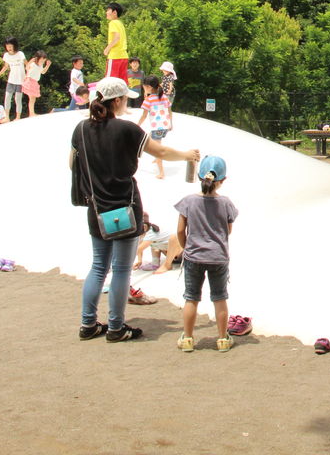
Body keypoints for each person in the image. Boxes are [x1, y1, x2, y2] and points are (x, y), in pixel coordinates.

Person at [72, 77, 199, 343]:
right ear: (116, 101)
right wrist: (187, 155)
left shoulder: (81, 129)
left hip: (96, 209)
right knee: (120, 269)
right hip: (125, 208)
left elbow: (72, 165)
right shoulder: (127, 130)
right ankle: (116, 327)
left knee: (98, 267)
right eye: (125, 99)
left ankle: (88, 324)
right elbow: (161, 151)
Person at [175, 155, 238, 353]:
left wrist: (186, 247)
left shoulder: (188, 201)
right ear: (223, 180)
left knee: (191, 298)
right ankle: (222, 339)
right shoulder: (226, 203)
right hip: (218, 256)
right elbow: (228, 230)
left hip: (194, 256)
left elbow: (179, 230)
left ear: (199, 176)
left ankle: (187, 338)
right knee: (219, 298)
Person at [137, 75, 173, 179]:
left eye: (144, 86)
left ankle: (161, 172)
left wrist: (137, 125)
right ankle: (156, 159)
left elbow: (144, 116)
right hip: (165, 126)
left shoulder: (149, 100)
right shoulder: (164, 97)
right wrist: (171, 124)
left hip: (157, 127)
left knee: (157, 149)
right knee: (154, 141)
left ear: (148, 87)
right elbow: (170, 112)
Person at [0, 37, 26, 120]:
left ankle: (18, 116)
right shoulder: (6, 55)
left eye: (10, 46)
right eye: (7, 46)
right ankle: (7, 117)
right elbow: (5, 66)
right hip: (11, 80)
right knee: (7, 98)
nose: (9, 48)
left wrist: (28, 77)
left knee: (18, 99)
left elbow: (27, 65)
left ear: (14, 45)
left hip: (21, 80)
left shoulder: (20, 54)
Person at [20, 51, 51, 117]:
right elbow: (27, 68)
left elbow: (43, 72)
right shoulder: (33, 64)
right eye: (42, 60)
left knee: (33, 99)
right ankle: (31, 113)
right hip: (30, 81)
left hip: (35, 82)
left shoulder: (41, 65)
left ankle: (31, 113)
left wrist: (47, 65)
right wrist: (30, 61)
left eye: (44, 60)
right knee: (32, 98)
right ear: (37, 58)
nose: (43, 61)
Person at [103, 3, 129, 82]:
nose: (106, 12)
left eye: (108, 10)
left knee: (109, 81)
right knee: (121, 82)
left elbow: (116, 38)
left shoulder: (113, 23)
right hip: (124, 56)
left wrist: (107, 49)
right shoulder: (120, 23)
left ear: (114, 12)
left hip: (115, 56)